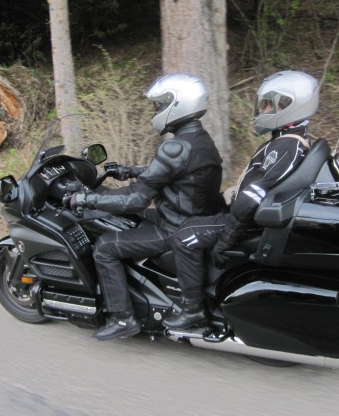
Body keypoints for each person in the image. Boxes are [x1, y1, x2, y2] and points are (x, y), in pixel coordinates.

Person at [65, 73, 224, 340]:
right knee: (132, 218)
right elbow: (177, 174)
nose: (157, 110)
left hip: (175, 227)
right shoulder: (199, 138)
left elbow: (136, 199)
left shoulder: (174, 147)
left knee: (104, 247)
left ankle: (122, 317)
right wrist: (130, 170)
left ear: (178, 104)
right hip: (194, 216)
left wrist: (87, 199)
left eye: (161, 105)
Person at [163, 70, 319, 330]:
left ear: (288, 106)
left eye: (269, 104)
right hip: (248, 216)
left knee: (183, 237)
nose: (263, 110)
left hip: (245, 222)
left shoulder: (285, 147)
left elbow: (251, 198)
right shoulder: (290, 141)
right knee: (194, 221)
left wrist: (225, 239)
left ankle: (193, 310)